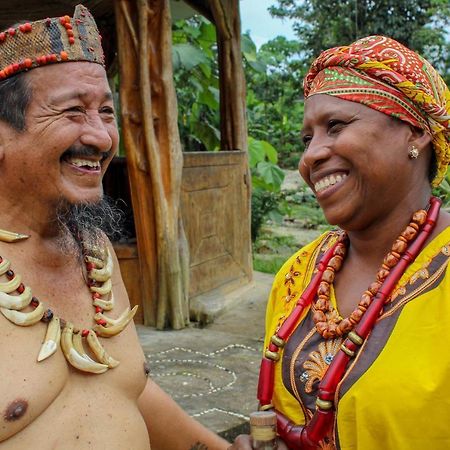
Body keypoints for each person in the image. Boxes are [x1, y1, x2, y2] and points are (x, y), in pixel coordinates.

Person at [0, 5, 229, 449]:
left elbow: (121, 390)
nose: (103, 138)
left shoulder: (95, 252)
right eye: (71, 112)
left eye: (106, 112)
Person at [231, 35, 450, 450]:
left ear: (415, 133)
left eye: (335, 126)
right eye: (306, 139)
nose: (310, 155)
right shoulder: (298, 273)